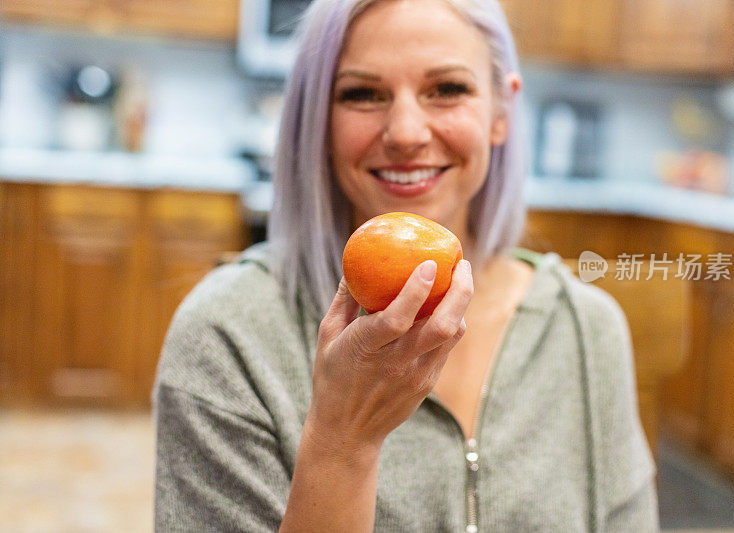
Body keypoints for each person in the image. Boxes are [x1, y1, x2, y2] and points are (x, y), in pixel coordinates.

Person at [152, 0, 659, 531]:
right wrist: (342, 443)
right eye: (362, 94)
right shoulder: (227, 334)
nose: (406, 132)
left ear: (501, 113)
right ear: (316, 120)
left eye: (447, 89)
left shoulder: (585, 327)